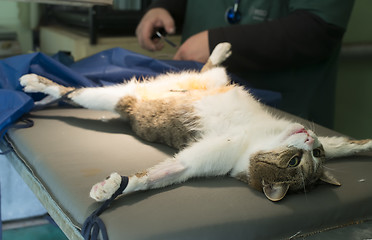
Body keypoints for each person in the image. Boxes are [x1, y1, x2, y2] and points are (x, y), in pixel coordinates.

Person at [136, 0, 355, 128]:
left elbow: (318, 29)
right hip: (197, 114)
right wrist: (164, 6)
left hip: (279, 121)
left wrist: (219, 43)